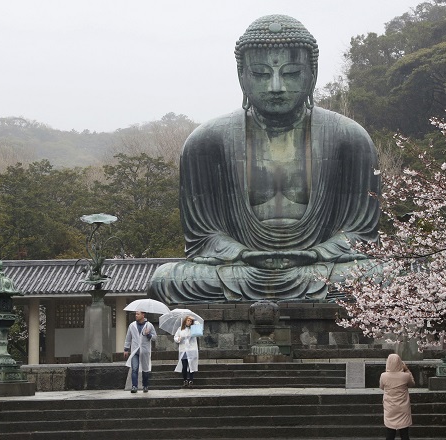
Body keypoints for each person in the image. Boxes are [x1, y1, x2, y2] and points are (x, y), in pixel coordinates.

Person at [148, 14, 380, 303]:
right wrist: (242, 254)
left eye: (291, 73)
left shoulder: (349, 138)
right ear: (242, 77)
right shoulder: (206, 141)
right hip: (240, 269)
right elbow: (202, 237)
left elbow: (360, 234)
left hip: (319, 268)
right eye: (260, 74)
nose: (275, 86)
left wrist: (316, 253)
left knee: (381, 275)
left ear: (312, 75)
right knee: (167, 279)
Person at [380, 354, 415, 440]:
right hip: (403, 407)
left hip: (390, 407)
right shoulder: (405, 376)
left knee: (390, 432)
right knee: (404, 433)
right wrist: (406, 369)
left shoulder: (383, 376)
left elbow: (381, 387)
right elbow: (412, 383)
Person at [123, 310, 156, 393]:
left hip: (145, 351)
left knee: (145, 369)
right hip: (135, 351)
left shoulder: (149, 325)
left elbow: (155, 337)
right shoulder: (132, 325)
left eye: (138, 314)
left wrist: (149, 335)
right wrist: (126, 349)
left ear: (143, 315)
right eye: (136, 314)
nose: (136, 316)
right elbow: (128, 337)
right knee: (134, 368)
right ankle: (134, 386)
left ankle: (145, 386)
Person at [174, 315, 199, 388]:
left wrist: (194, 319)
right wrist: (179, 339)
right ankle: (185, 379)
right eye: (188, 320)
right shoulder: (180, 329)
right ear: (185, 321)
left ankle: (191, 380)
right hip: (183, 349)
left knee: (191, 364)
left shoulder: (193, 329)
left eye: (190, 321)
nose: (189, 322)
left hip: (191, 349)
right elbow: (175, 337)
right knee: (184, 366)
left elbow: (198, 327)